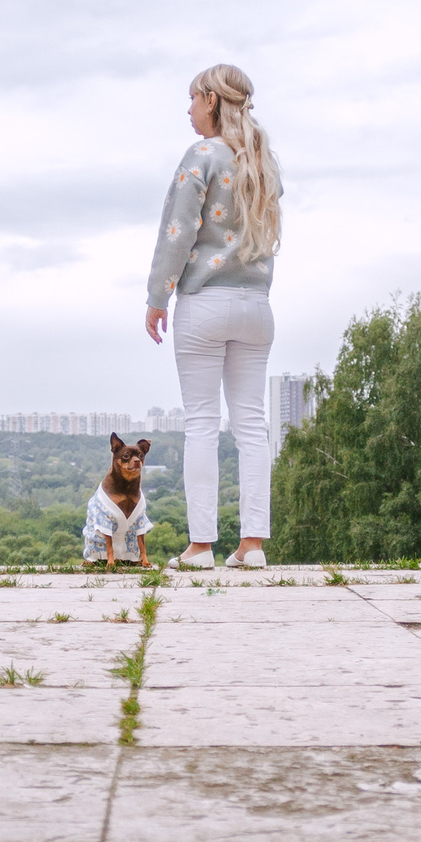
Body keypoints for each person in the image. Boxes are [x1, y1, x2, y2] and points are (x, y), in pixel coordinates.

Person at [143, 63, 283, 570]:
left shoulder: (201, 155)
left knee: (201, 423)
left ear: (209, 99)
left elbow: (178, 231)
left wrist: (157, 295)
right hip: (257, 307)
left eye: (191, 100)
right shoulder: (264, 164)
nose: (187, 110)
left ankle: (201, 546)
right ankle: (253, 546)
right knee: (251, 425)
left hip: (204, 302)